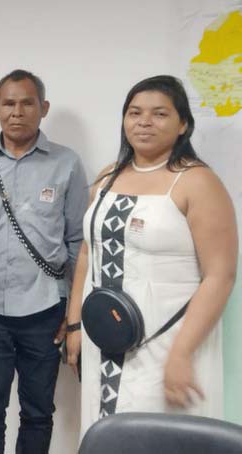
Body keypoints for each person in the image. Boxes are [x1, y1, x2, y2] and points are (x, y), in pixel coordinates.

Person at [64, 75, 237, 436]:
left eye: (159, 113)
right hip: (106, 341)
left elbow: (220, 276)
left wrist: (181, 353)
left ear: (183, 124)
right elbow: (86, 252)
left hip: (168, 344)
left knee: (159, 439)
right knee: (106, 432)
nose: (144, 122)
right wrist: (75, 323)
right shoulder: (108, 176)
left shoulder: (197, 182)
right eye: (134, 112)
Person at [0, 69, 88, 454]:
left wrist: (72, 310)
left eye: (27, 103)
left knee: (38, 411)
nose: (17, 112)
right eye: (8, 103)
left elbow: (78, 242)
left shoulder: (68, 164)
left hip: (45, 308)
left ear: (43, 108)